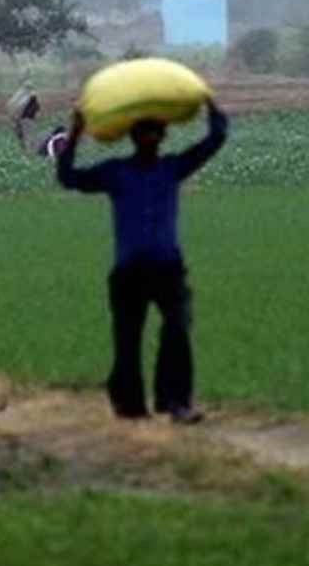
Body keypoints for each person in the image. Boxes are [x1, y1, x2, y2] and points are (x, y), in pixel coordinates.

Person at [56, 99, 228, 425]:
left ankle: (176, 402)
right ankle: (130, 406)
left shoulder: (172, 168)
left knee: (177, 329)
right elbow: (68, 178)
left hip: (168, 268)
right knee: (127, 340)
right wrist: (75, 134)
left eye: (154, 132)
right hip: (128, 272)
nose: (149, 137)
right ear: (134, 137)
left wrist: (209, 104)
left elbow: (213, 141)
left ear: (162, 136)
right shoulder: (115, 172)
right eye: (143, 132)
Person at [7, 79, 41, 149]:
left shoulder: (21, 96)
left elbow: (11, 106)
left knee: (24, 136)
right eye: (28, 87)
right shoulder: (25, 96)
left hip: (22, 119)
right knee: (25, 136)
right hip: (24, 119)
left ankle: (27, 150)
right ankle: (27, 150)